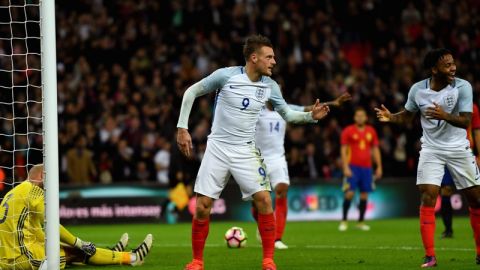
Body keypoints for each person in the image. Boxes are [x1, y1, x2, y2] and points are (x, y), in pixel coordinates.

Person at [176, 34, 330, 270]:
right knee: (202, 206)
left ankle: (268, 260)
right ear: (254, 57)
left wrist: (310, 117)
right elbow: (191, 92)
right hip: (217, 147)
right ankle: (197, 261)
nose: (274, 62)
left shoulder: (270, 86)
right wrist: (182, 127)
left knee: (265, 200)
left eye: (274, 57)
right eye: (269, 57)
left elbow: (287, 114)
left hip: (245, 150)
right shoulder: (226, 75)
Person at [375, 48, 480, 268]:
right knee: (428, 197)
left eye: (453, 64)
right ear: (434, 69)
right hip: (431, 149)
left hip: (459, 148)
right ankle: (430, 256)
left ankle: (479, 252)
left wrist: (444, 115)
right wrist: (391, 117)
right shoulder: (417, 90)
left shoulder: (463, 87)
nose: (453, 68)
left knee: (476, 200)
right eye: (447, 65)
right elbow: (407, 118)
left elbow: (466, 122)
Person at [0, 164, 153, 269]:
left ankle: (119, 254)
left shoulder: (14, 192)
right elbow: (51, 224)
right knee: (68, 254)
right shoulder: (33, 190)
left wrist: (72, 245)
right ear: (42, 175)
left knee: (65, 250)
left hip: (6, 258)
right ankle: (132, 258)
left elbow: (36, 233)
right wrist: (79, 243)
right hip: (20, 257)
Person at [254, 93, 351, 249]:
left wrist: (334, 102)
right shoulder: (257, 110)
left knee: (282, 189)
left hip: (277, 159)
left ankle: (277, 238)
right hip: (256, 159)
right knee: (258, 200)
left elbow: (310, 108)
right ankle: (261, 223)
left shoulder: (285, 109)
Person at [440, 102, 480, 238]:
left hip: (466, 152)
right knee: (445, 190)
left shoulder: (471, 107)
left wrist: (479, 154)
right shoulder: (443, 103)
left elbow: (476, 130)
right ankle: (448, 229)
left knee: (474, 193)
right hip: (446, 151)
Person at [339, 107, 382, 231]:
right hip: (352, 167)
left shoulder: (371, 131)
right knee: (350, 193)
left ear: (366, 118)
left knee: (364, 195)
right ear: (354, 118)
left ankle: (361, 222)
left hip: (367, 168)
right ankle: (344, 220)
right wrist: (345, 166)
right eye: (357, 116)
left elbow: (375, 149)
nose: (360, 118)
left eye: (362, 116)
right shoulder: (348, 131)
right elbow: (343, 150)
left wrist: (379, 166)